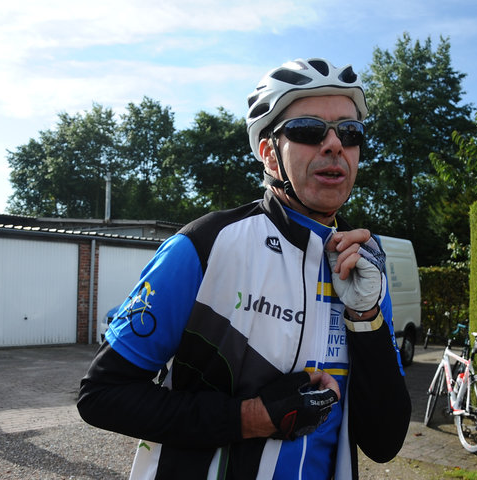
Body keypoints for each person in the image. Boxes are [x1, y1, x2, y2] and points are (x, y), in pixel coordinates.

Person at [77, 58, 411, 480]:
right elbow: (102, 395)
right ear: (269, 154)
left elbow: (384, 441)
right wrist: (252, 417)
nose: (334, 145)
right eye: (308, 130)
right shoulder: (206, 244)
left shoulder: (365, 261)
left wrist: (366, 318)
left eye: (350, 132)